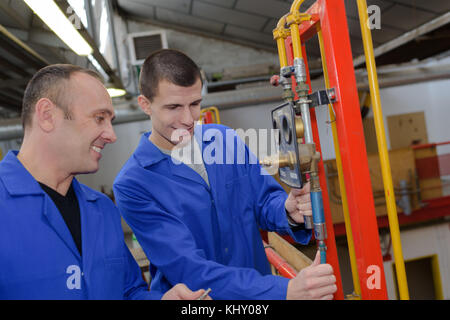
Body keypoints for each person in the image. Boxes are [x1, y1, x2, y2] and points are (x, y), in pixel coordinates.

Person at [113, 50, 337, 300]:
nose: (188, 119)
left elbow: (262, 201)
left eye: (195, 104)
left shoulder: (223, 139)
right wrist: (283, 290)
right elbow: (190, 270)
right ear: (145, 104)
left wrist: (287, 211)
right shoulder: (134, 184)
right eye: (174, 107)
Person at [0, 64, 209, 300]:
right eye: (99, 118)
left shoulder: (101, 210)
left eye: (110, 120)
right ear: (47, 116)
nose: (111, 135)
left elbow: (129, 292)